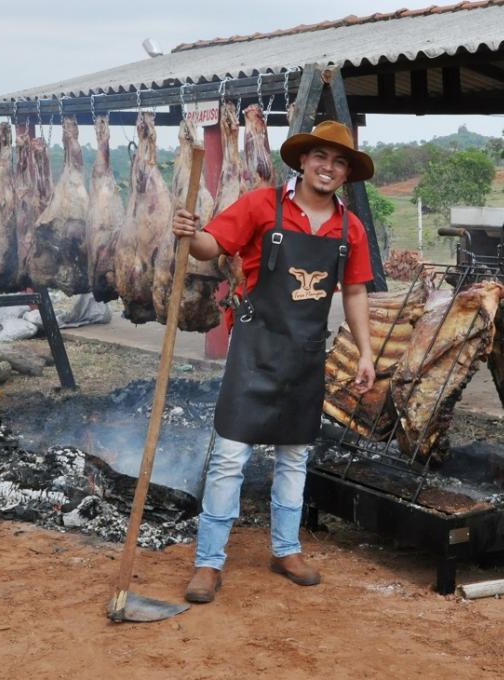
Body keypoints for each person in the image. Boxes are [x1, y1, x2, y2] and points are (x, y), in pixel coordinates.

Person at [171, 121, 377, 604]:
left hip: (305, 356)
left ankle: (286, 550)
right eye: (320, 157)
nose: (328, 167)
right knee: (229, 457)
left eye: (339, 162)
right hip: (255, 350)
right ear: (303, 161)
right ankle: (209, 561)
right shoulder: (262, 206)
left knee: (295, 457)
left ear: (346, 173)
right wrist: (191, 233)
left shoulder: (350, 228)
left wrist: (366, 351)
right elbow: (211, 246)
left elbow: (354, 292)